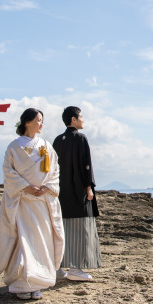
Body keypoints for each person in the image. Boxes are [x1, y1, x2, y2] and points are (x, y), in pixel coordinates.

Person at [0, 108, 65, 300]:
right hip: (22, 201)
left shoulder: (46, 145)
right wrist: (26, 187)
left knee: (41, 240)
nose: (41, 124)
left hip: (42, 201)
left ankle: (38, 282)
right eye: (38, 120)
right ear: (27, 122)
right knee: (23, 239)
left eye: (42, 120)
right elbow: (8, 171)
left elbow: (55, 170)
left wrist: (47, 187)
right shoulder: (14, 146)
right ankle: (21, 283)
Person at [53, 106, 102, 281]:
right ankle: (75, 269)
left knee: (62, 229)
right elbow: (85, 165)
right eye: (81, 116)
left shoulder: (58, 140)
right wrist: (89, 187)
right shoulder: (80, 138)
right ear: (73, 119)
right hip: (78, 191)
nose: (83, 120)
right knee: (80, 230)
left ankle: (58, 268)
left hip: (60, 191)